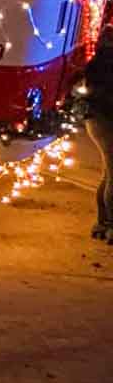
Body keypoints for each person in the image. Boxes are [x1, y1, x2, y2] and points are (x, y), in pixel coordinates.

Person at [89, 24, 113, 242]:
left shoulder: (100, 51)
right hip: (105, 118)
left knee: (109, 173)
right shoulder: (107, 57)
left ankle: (102, 224)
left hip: (98, 117)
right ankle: (109, 225)